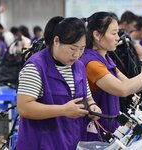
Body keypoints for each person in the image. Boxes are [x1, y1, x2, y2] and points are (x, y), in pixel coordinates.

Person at [80, 11, 142, 141]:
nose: (118, 37)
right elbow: (123, 89)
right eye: (113, 33)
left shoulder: (105, 58)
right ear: (97, 35)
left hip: (111, 129)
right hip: (97, 134)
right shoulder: (91, 63)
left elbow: (131, 85)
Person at [16, 16, 101, 150]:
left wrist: (93, 107)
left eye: (82, 49)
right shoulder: (36, 67)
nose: (77, 54)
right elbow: (24, 108)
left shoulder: (79, 67)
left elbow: (88, 98)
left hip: (73, 142)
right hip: (43, 144)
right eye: (73, 48)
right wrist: (62, 110)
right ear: (56, 41)